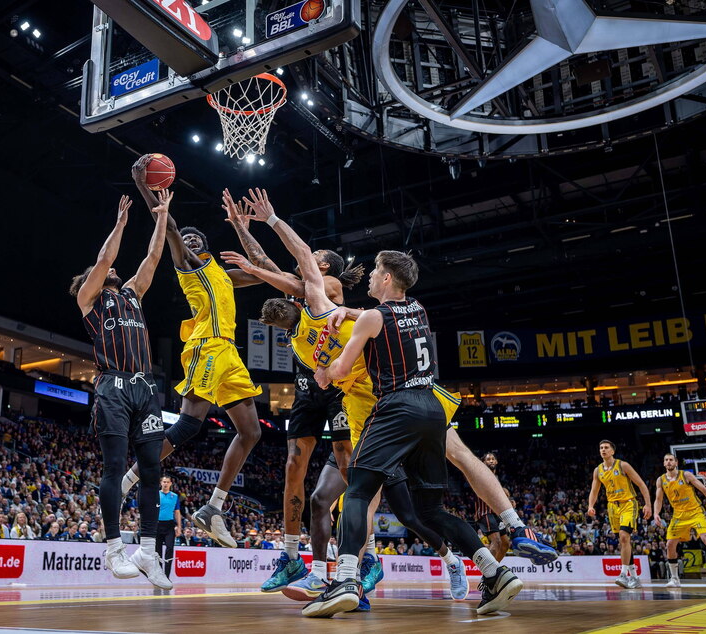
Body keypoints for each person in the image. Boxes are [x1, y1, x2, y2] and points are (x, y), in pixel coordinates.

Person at [303, 251, 523, 617]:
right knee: (431, 510)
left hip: (396, 407)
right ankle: (494, 572)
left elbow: (338, 371)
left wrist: (322, 368)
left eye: (375, 271)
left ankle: (345, 579)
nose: (371, 277)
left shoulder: (373, 316)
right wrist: (352, 314)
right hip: (432, 408)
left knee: (357, 488)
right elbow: (380, 319)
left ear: (387, 278)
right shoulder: (418, 309)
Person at [219, 188, 360, 594]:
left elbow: (277, 271)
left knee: (345, 461)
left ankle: (361, 557)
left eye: (312, 256)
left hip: (337, 383)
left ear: (324, 265)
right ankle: (292, 556)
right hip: (306, 385)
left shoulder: (327, 283)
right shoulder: (297, 283)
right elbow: (264, 262)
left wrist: (265, 236)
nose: (307, 257)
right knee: (293, 467)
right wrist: (241, 228)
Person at [122, 157, 263, 549]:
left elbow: (265, 271)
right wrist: (146, 189)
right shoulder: (187, 265)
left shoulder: (222, 273)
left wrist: (244, 230)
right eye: (188, 239)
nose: (192, 240)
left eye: (198, 238)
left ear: (210, 245)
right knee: (188, 425)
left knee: (251, 431)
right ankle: (129, 478)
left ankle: (213, 507)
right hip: (205, 346)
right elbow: (168, 228)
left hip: (230, 354)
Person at [70, 188, 172, 590]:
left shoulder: (132, 294)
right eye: (107, 272)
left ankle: (147, 551)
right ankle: (113, 547)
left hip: (146, 388)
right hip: (112, 386)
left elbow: (153, 258)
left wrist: (162, 215)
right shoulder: (89, 300)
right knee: (114, 467)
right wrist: (121, 224)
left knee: (151, 470)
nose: (115, 271)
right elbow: (104, 259)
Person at [653, 453, 706, 586]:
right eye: (666, 460)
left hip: (695, 512)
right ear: (663, 463)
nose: (668, 462)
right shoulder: (661, 480)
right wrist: (656, 513)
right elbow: (658, 499)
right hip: (678, 516)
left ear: (676, 462)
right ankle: (674, 578)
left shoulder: (686, 475)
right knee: (669, 545)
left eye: (671, 460)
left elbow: (704, 490)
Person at [587, 439, 652, 589]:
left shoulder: (623, 465)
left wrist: (647, 504)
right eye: (601, 447)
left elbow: (641, 484)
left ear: (612, 451)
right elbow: (594, 491)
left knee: (624, 536)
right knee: (625, 541)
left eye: (606, 448)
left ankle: (623, 575)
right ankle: (635, 577)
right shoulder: (598, 470)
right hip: (612, 507)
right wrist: (590, 505)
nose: (603, 450)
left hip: (628, 503)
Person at [474, 453, 512, 562]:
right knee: (497, 541)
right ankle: (488, 572)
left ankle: (495, 570)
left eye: (493, 459)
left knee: (505, 544)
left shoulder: (496, 477)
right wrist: (503, 491)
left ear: (496, 462)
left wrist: (509, 501)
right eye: (488, 459)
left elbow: (502, 495)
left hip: (496, 513)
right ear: (483, 463)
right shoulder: (480, 474)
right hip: (485, 512)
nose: (491, 461)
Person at [156, 476, 182, 578]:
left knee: (170, 548)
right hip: (157, 525)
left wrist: (179, 527)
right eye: (164, 482)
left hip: (169, 525)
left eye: (167, 482)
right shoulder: (156, 494)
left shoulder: (174, 496)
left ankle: (166, 576)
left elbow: (177, 512)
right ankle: (158, 575)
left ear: (171, 483)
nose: (165, 484)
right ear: (161, 483)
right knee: (157, 551)